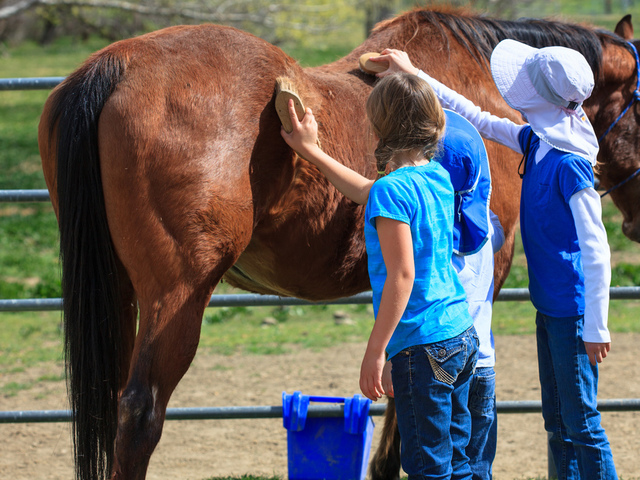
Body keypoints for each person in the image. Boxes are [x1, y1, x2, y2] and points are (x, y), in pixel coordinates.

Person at [371, 42, 617, 479]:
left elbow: (597, 248)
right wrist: (416, 72)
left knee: (581, 423)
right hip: (551, 307)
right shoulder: (538, 141)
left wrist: (596, 324)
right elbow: (479, 118)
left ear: (541, 99)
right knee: (558, 420)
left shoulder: (570, 164)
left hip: (573, 314)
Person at [281, 72, 479, 479]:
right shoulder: (436, 176)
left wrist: (376, 352)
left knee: (427, 468)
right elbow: (366, 190)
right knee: (458, 463)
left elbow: (401, 276)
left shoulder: (393, 191)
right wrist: (311, 151)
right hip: (460, 334)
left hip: (422, 347)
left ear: (376, 125)